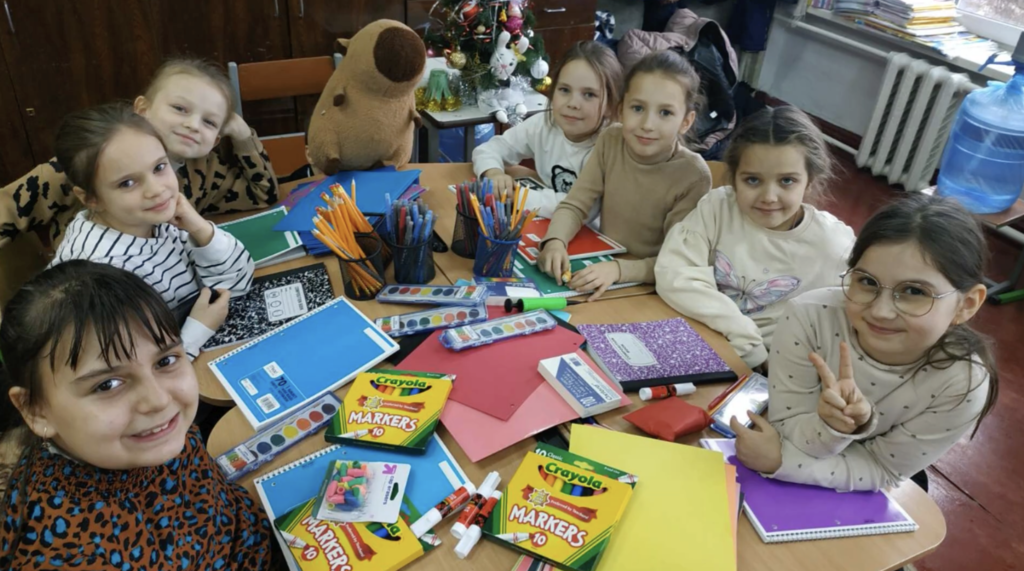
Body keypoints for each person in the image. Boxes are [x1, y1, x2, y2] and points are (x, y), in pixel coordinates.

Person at [0, 260, 274, 569]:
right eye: (108, 384)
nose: (158, 400)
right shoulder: (77, 557)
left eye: (165, 360)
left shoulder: (140, 440)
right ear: (35, 411)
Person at [731, 194, 998, 492]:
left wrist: (782, 463)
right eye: (867, 282)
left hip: (848, 480)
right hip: (806, 453)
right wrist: (831, 428)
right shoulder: (809, 317)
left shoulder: (963, 383)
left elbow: (883, 468)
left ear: (967, 304)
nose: (880, 311)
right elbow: (788, 426)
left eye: (914, 291)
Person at [0, 57, 277, 250]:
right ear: (142, 109)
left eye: (209, 122)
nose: (193, 124)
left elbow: (263, 195)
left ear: (215, 141)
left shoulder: (204, 169)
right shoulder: (77, 166)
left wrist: (242, 135)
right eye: (180, 108)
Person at [655, 106, 855, 369]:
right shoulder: (718, 208)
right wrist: (745, 338)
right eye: (752, 180)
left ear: (809, 181)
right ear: (734, 177)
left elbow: (848, 321)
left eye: (786, 181)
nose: (769, 197)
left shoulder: (834, 244)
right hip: (700, 337)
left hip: (772, 368)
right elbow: (674, 274)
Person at [49, 102, 253, 359]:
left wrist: (199, 227)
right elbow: (132, 377)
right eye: (127, 183)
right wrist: (197, 330)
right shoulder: (101, 278)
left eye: (159, 167)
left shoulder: (151, 219)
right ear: (91, 198)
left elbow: (238, 283)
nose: (156, 189)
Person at [537, 50, 712, 300]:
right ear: (621, 109)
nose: (647, 124)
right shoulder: (610, 140)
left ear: (686, 121)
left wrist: (620, 270)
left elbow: (678, 261)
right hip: (601, 265)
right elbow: (576, 205)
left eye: (665, 113)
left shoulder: (694, 176)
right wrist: (555, 241)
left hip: (653, 288)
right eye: (638, 108)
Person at [472, 41, 624, 218]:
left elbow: (581, 208)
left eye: (589, 94)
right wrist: (494, 173)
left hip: (591, 237)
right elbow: (490, 148)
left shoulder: (610, 146)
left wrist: (517, 195)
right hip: (546, 226)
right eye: (564, 90)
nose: (573, 104)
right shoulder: (545, 123)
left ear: (610, 105)